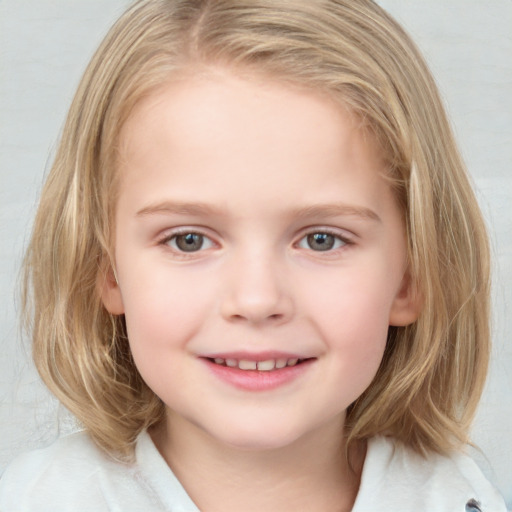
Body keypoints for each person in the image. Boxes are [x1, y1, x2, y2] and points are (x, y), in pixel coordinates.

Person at [0, 0, 507, 510]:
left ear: (410, 276)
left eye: (321, 239)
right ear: (105, 268)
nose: (257, 299)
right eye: (188, 240)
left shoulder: (461, 499)